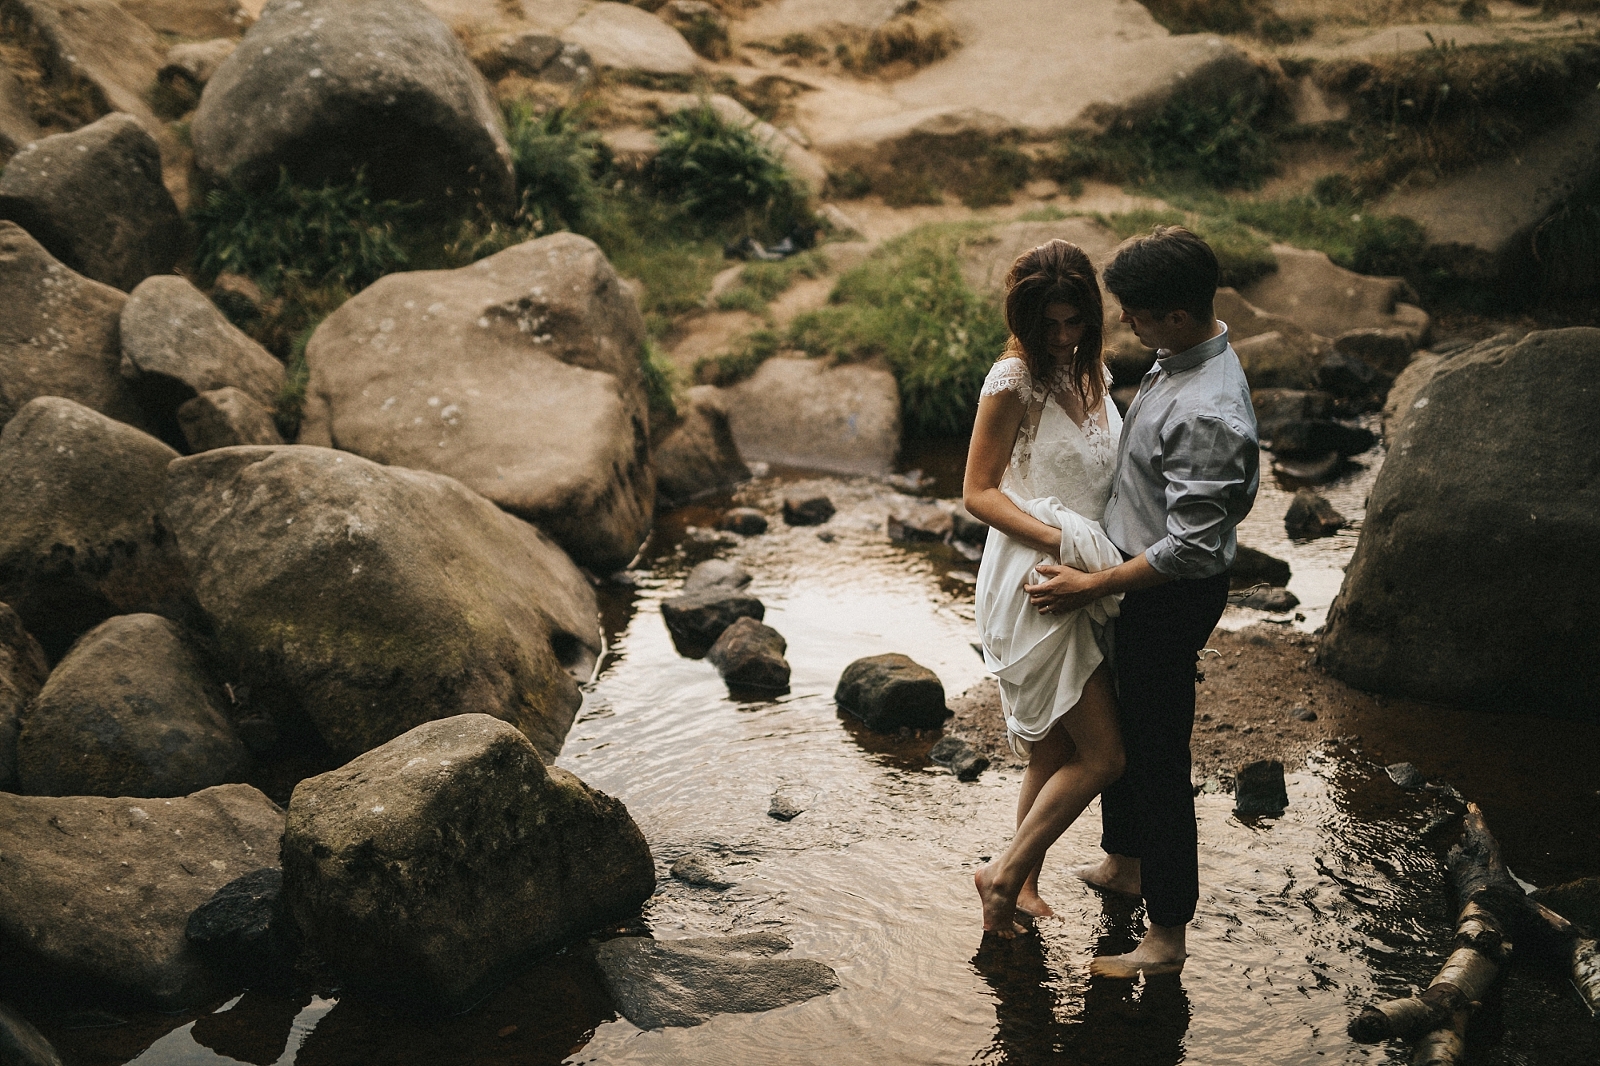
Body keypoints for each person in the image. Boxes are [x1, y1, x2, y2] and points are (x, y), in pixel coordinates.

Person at [1024, 225, 1259, 976]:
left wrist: (1093, 582)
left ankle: (1166, 939)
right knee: (1126, 722)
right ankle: (1124, 863)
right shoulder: (1182, 355)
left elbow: (1189, 547)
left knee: (1158, 759)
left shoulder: (1207, 412)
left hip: (1167, 594)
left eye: (1135, 312)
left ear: (1178, 316)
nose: (1123, 323)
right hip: (1139, 577)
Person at [965, 240, 1128, 938]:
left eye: (1074, 322)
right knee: (1104, 756)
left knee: (1055, 751)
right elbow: (977, 493)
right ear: (1025, 321)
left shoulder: (1093, 371)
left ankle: (1023, 882)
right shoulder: (1013, 379)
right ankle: (1002, 874)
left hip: (1093, 573)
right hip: (1043, 576)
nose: (1062, 338)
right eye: (1049, 326)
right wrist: (1065, 543)